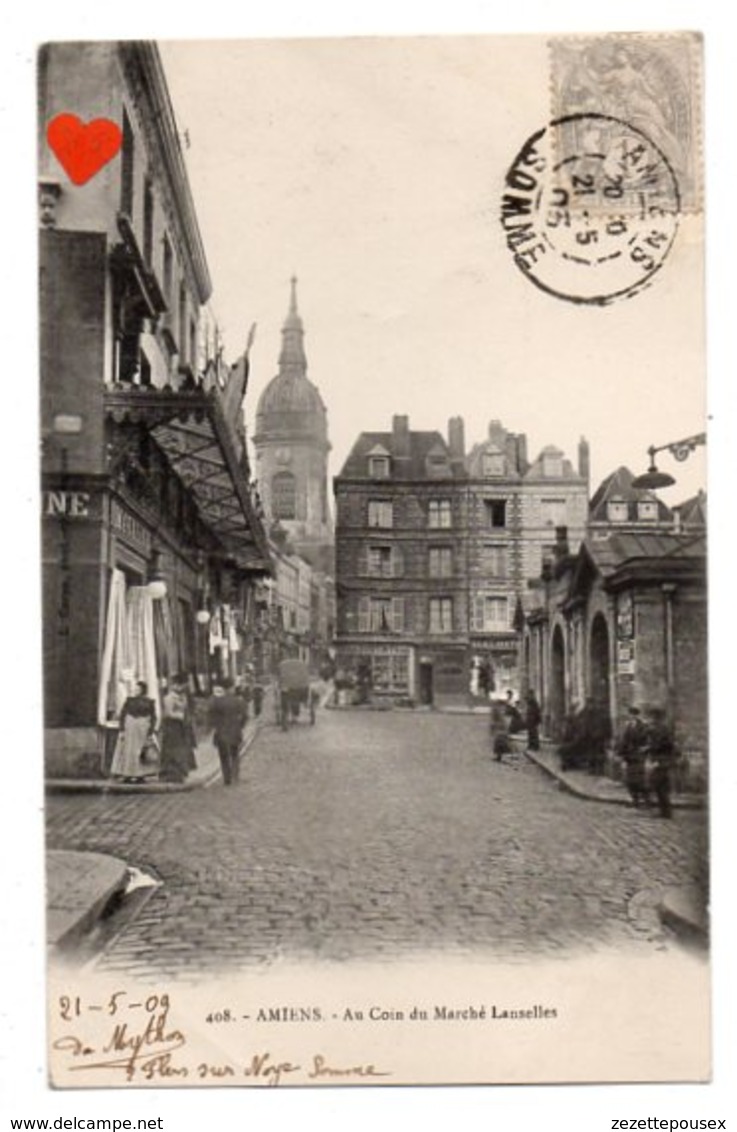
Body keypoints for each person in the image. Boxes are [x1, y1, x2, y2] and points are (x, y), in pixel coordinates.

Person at [110, 680, 157, 783]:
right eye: (135, 688)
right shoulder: (129, 701)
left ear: (143, 690)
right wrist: (122, 728)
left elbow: (153, 717)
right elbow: (123, 714)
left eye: (138, 689)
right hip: (130, 728)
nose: (136, 690)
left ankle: (141, 774)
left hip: (142, 729)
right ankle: (127, 774)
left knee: (140, 751)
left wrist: (150, 730)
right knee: (128, 751)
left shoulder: (149, 702)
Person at [209, 679, 248, 786]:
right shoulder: (238, 700)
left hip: (221, 731)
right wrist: (241, 726)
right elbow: (245, 716)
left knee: (224, 756)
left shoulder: (217, 701)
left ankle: (227, 778)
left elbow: (211, 716)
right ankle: (235, 775)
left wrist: (215, 727)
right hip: (235, 731)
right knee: (235, 754)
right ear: (231, 688)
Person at [159, 676, 196, 784]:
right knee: (172, 750)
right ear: (174, 685)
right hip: (172, 727)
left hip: (182, 727)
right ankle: (170, 774)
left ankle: (181, 772)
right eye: (178, 685)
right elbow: (168, 713)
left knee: (182, 749)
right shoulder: (169, 698)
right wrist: (181, 716)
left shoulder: (183, 697)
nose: (180, 688)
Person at [644, 707, 676, 819]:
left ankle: (666, 812)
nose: (651, 720)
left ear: (656, 718)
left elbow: (663, 745)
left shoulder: (662, 729)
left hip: (662, 760)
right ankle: (664, 811)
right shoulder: (658, 728)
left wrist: (649, 748)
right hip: (659, 759)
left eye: (652, 717)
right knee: (660, 786)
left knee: (660, 786)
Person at [617, 706, 650, 806]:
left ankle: (646, 800)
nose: (631, 716)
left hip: (639, 756)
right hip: (629, 756)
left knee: (640, 780)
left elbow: (646, 739)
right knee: (630, 780)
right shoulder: (628, 726)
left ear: (637, 715)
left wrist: (644, 749)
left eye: (633, 714)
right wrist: (621, 754)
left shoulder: (643, 726)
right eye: (630, 714)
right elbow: (624, 741)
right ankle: (635, 800)